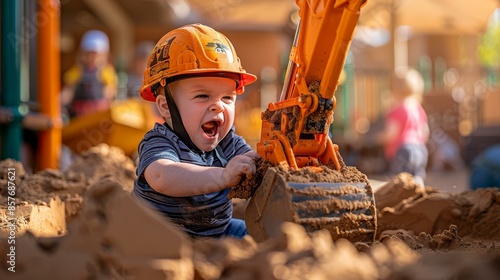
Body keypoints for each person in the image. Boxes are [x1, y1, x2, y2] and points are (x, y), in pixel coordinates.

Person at [132, 23, 259, 239]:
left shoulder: (228, 143)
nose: (218, 106)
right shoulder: (160, 141)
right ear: (165, 106)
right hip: (159, 238)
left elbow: (253, 162)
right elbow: (162, 176)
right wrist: (223, 176)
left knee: (257, 235)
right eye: (202, 96)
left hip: (216, 233)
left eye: (228, 98)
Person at [378, 68, 430, 187]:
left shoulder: (397, 110)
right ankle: (418, 192)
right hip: (421, 150)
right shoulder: (418, 108)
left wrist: (379, 138)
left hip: (404, 151)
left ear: (394, 90)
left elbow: (391, 134)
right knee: (416, 177)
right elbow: (425, 132)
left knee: (399, 181)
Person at [61, 30, 118, 117]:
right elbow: (69, 89)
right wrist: (61, 100)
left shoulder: (106, 71)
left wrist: (108, 98)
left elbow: (110, 91)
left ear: (104, 55)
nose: (91, 58)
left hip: (99, 110)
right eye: (88, 54)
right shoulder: (77, 71)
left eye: (95, 55)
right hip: (80, 110)